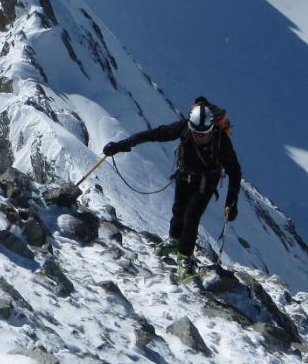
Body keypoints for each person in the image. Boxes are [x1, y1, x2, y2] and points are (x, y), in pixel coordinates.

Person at [102, 97, 241, 274]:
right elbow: (156, 134)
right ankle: (174, 241)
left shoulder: (221, 141)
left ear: (211, 129)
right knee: (178, 210)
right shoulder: (184, 127)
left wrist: (232, 201)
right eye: (196, 133)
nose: (199, 137)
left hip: (205, 184)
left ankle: (185, 257)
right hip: (184, 176)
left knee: (191, 217)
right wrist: (122, 145)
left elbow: (234, 171)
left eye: (203, 134)